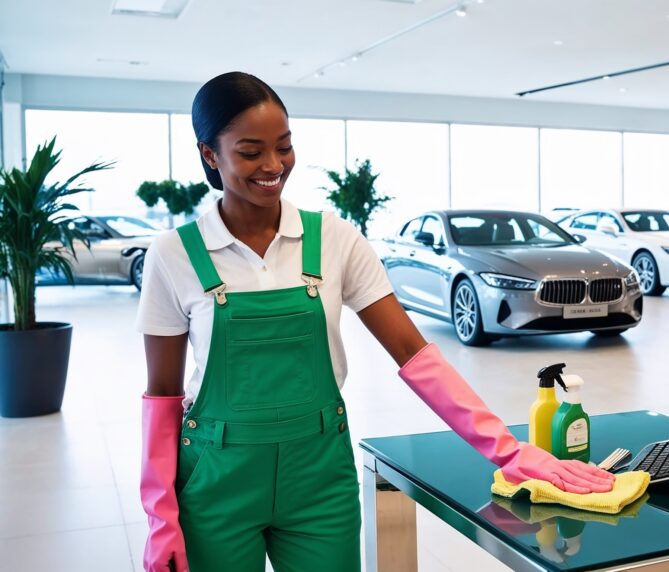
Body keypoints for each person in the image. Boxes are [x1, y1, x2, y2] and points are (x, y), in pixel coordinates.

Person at [137, 71, 614, 572]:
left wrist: (509, 452)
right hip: (217, 480)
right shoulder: (175, 254)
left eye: (285, 146)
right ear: (210, 154)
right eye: (251, 151)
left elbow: (415, 353)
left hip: (318, 478)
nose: (274, 166)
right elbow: (163, 395)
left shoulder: (334, 240)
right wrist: (160, 516)